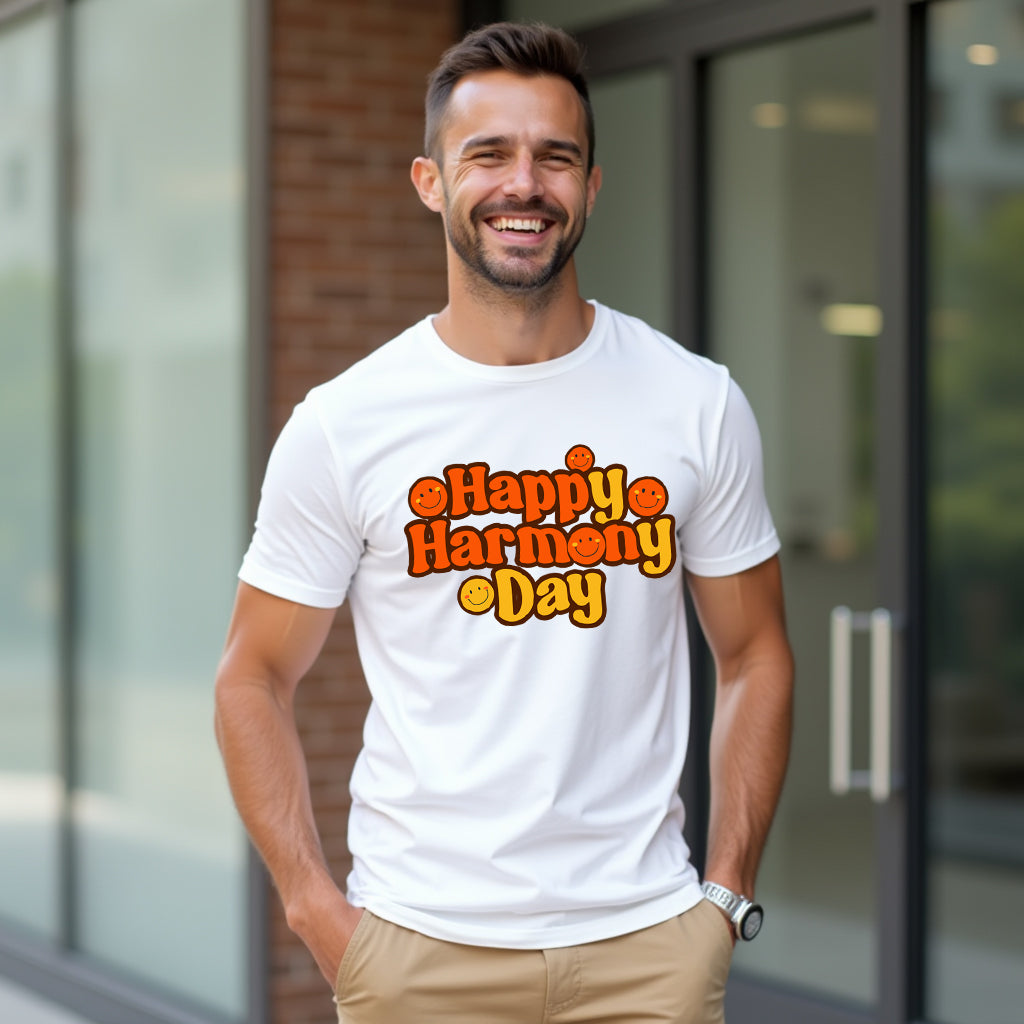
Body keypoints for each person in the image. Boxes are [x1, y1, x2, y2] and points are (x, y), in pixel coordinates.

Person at [214, 21, 793, 1024]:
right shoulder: (347, 424)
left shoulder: (694, 403)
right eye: (488, 154)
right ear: (429, 180)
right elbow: (251, 676)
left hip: (646, 950)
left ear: (591, 186)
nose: (523, 184)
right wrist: (315, 910)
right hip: (420, 954)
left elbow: (755, 655)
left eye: (554, 157)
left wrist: (725, 893)